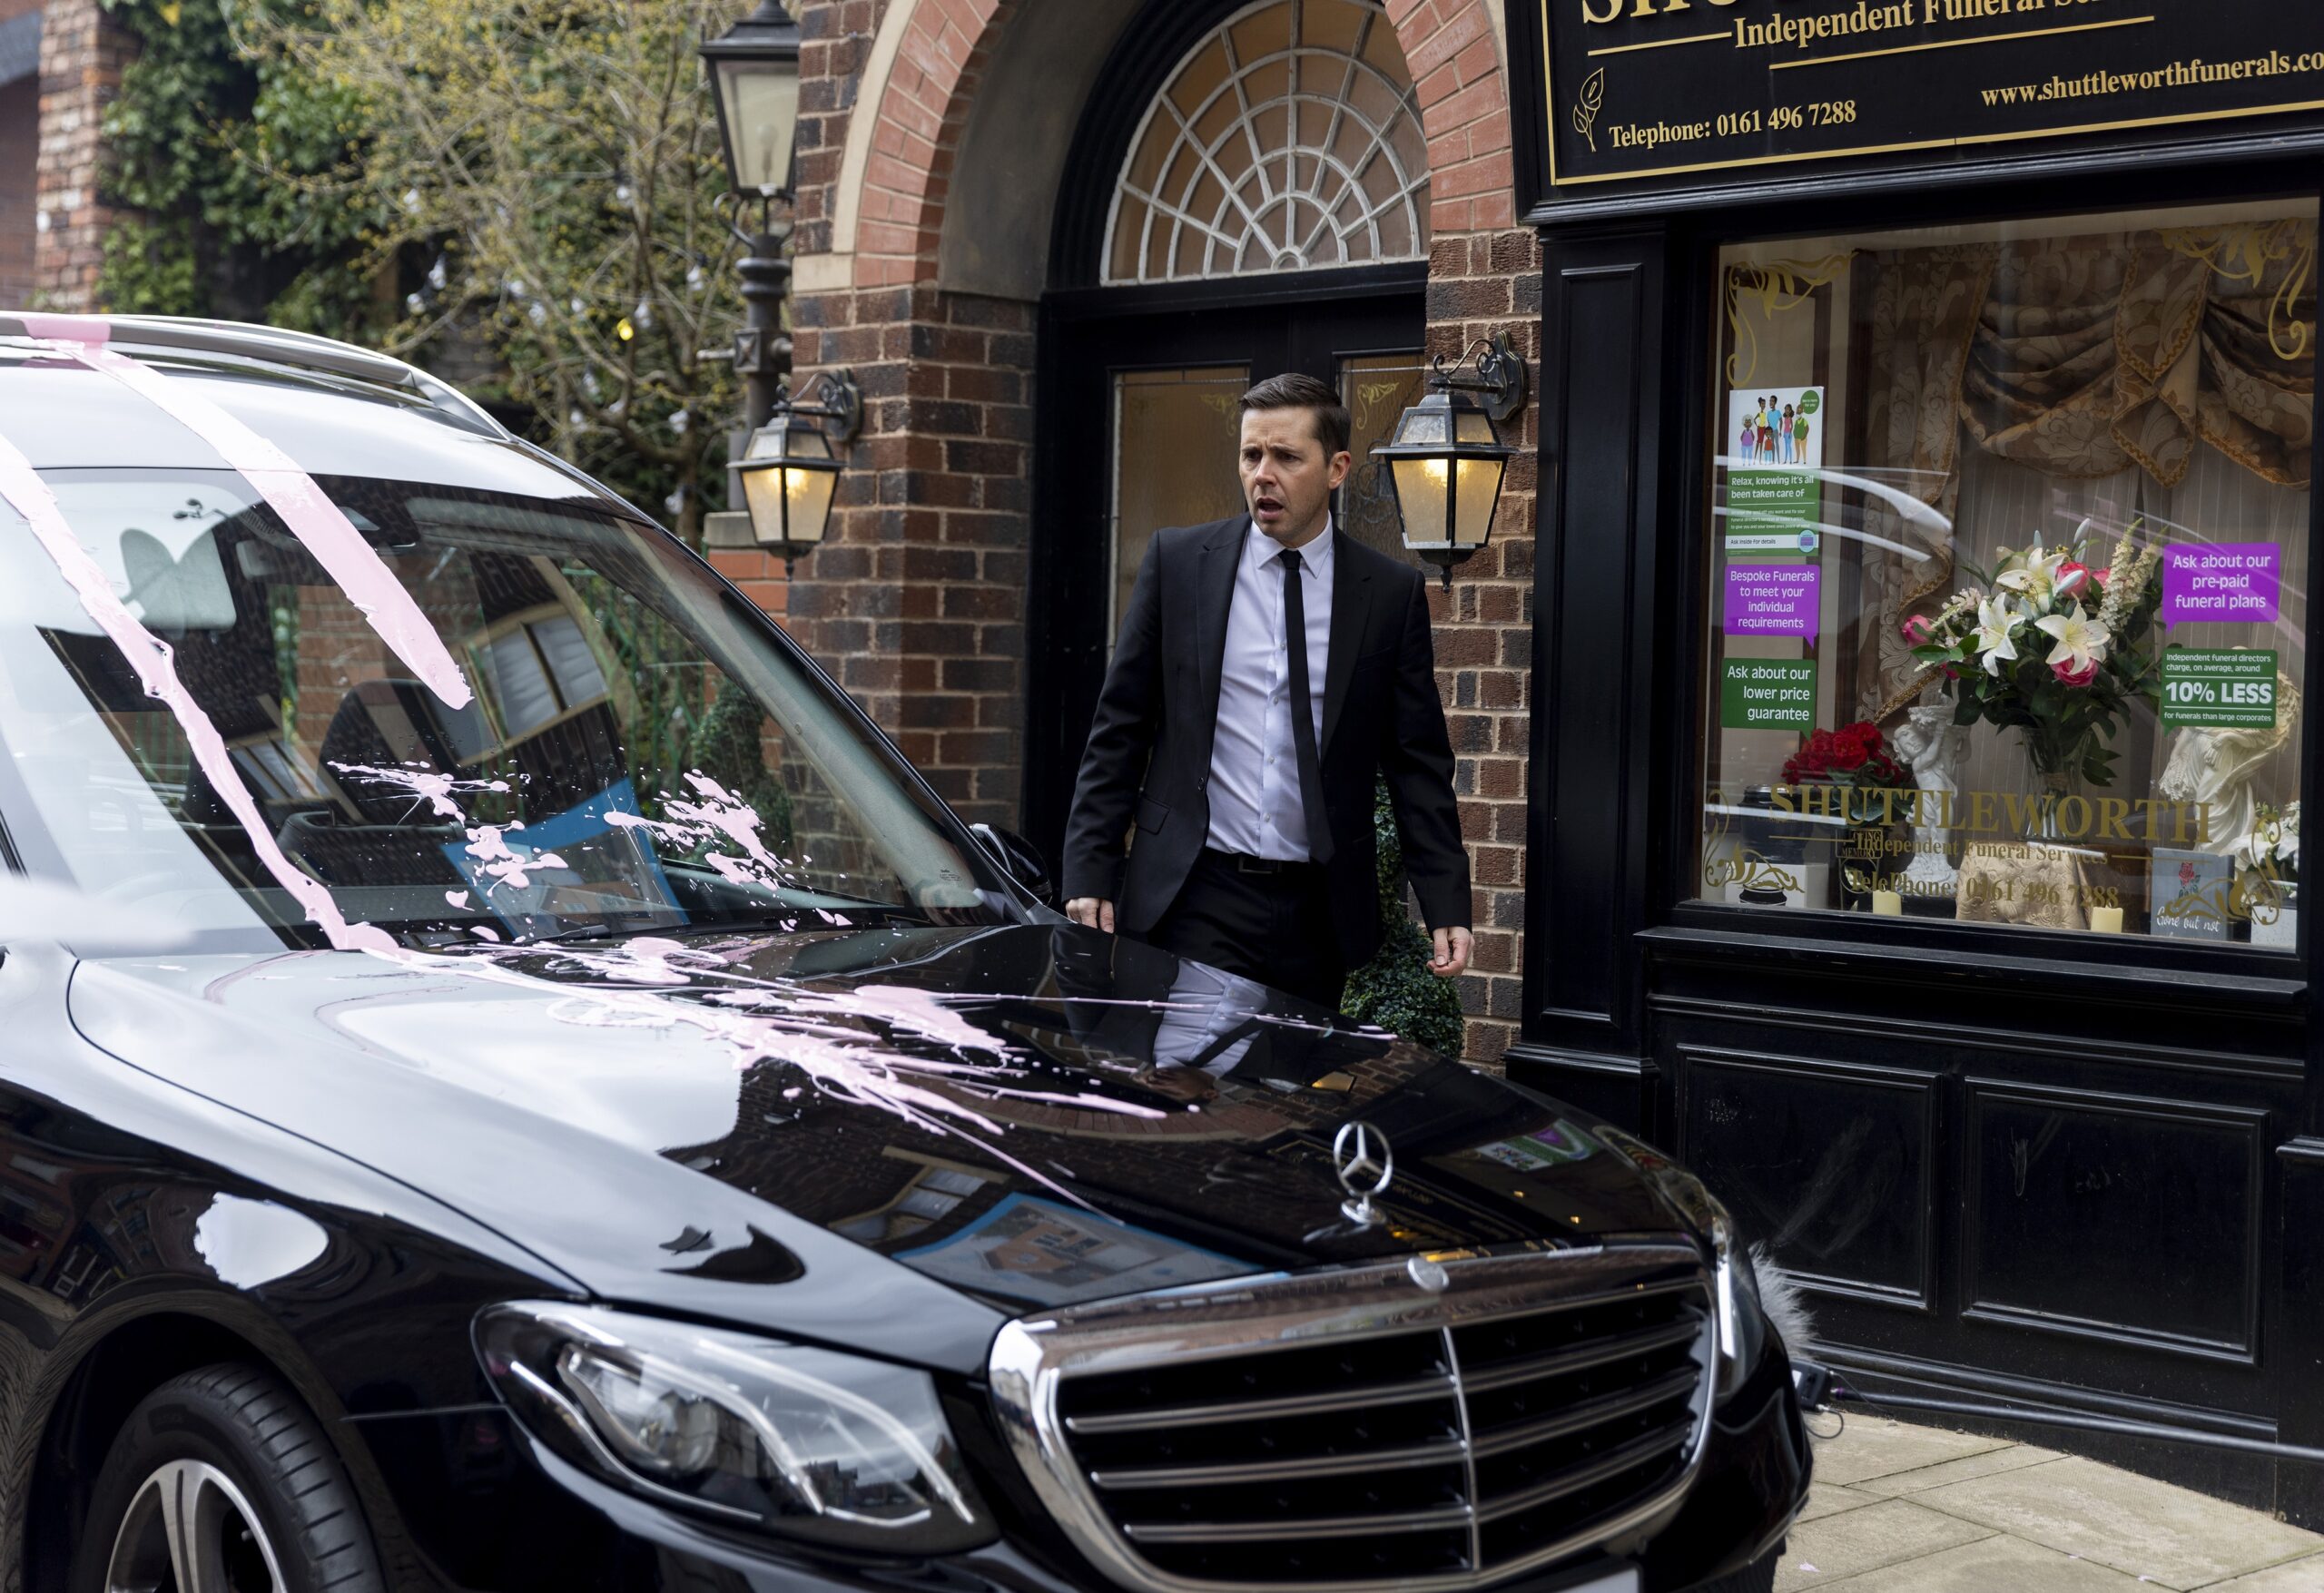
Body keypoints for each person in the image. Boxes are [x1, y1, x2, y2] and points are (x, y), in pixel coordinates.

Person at [1060, 372, 1472, 1010]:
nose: (1263, 474)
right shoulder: (1179, 565)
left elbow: (1417, 761)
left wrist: (1445, 898)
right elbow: (1120, 727)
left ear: (1336, 468)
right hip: (1198, 889)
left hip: (1320, 906)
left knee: (1288, 1090)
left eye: (1285, 457)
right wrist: (1090, 867)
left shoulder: (1387, 595)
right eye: (1252, 455)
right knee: (1199, 1083)